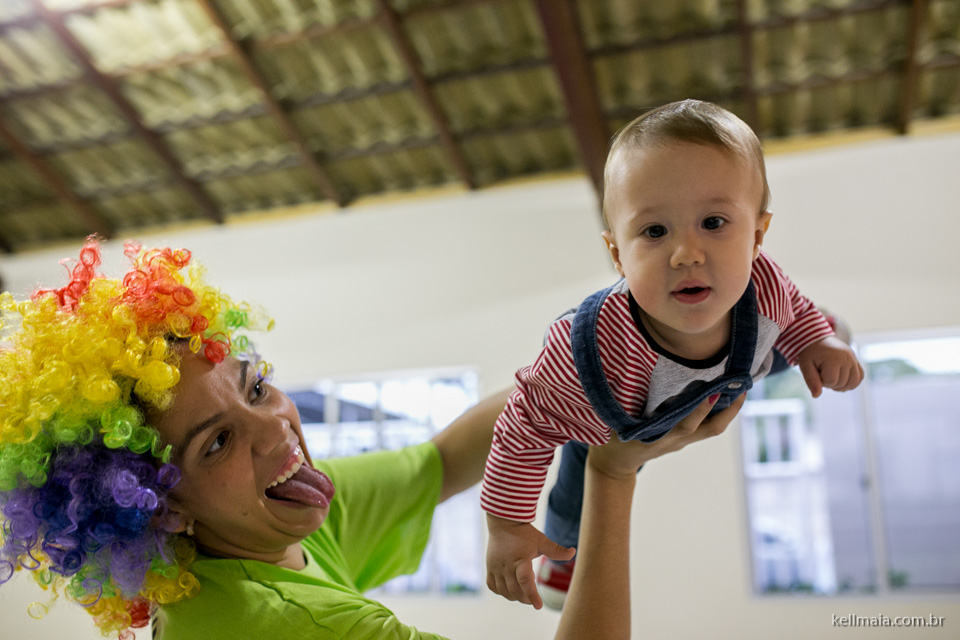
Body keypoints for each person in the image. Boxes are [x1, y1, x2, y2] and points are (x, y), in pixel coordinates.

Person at [0, 237, 742, 640]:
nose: (276, 427)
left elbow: (447, 460)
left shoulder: (266, 532)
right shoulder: (297, 627)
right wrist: (612, 477)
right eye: (216, 443)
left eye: (256, 388)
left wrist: (603, 365)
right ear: (158, 508)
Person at [481, 99, 865, 610]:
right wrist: (507, 526)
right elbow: (524, 426)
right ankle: (564, 557)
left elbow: (789, 304)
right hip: (626, 414)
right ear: (617, 253)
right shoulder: (592, 348)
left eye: (713, 222)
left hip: (740, 363)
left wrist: (817, 341)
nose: (687, 253)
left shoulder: (764, 283)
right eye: (654, 232)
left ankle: (819, 335)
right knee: (577, 482)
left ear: (756, 236)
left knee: (785, 334)